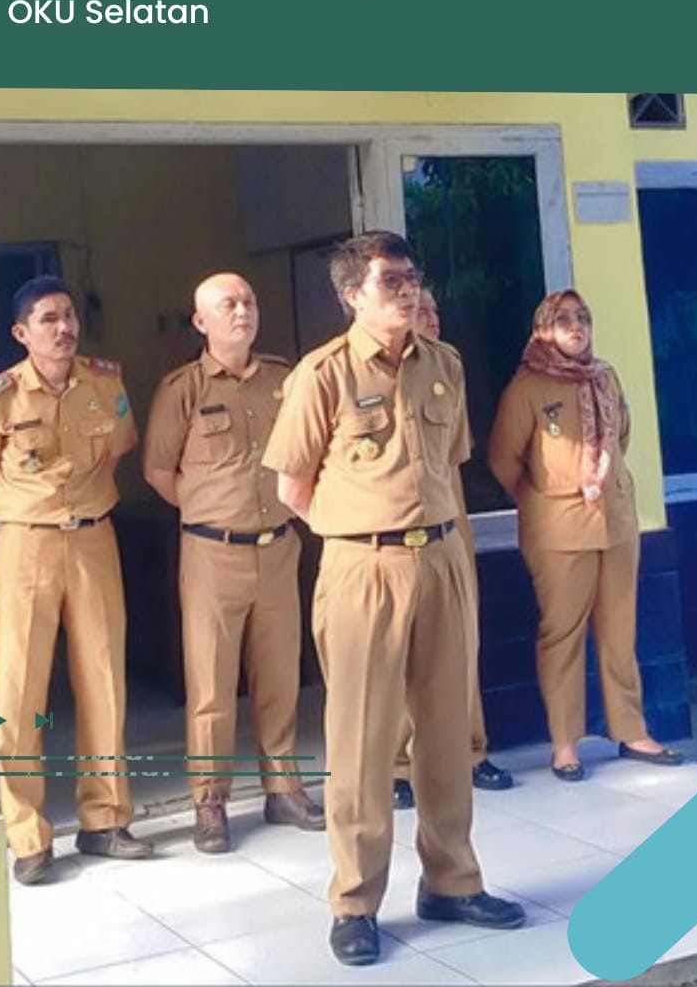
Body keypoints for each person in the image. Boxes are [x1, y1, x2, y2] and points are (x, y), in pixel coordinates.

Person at [262, 232, 525, 967]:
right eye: (390, 282)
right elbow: (291, 487)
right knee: (362, 741)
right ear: (353, 295)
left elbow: (449, 464)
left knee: (446, 732)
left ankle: (452, 881)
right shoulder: (323, 374)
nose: (407, 291)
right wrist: (357, 532)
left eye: (412, 278)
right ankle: (354, 902)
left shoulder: (444, 364)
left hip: (440, 557)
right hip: (363, 567)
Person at [0, 276, 152, 886]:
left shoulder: (105, 383)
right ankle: (27, 834)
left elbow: (119, 447)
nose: (64, 328)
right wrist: (33, 512)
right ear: (21, 333)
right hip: (27, 545)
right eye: (48, 319)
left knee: (104, 678)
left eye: (69, 316)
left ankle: (105, 819)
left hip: (94, 538)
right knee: (20, 689)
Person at [143, 273, 324, 855]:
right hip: (212, 553)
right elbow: (158, 470)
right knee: (211, 685)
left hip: (278, 547)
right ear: (201, 322)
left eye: (248, 301)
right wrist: (208, 509)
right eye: (228, 305)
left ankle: (284, 787)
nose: (242, 311)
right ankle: (210, 800)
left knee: (279, 677)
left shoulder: (282, 379)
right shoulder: (183, 389)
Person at [487, 288, 684, 781]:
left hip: (615, 521)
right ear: (543, 329)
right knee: (563, 635)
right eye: (563, 320)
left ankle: (631, 730)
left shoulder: (605, 376)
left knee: (620, 631)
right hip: (558, 529)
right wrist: (542, 498)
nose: (576, 327)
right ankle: (565, 744)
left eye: (583, 318)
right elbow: (503, 459)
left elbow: (621, 435)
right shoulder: (528, 387)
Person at [393, 287, 513, 810]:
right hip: (397, 523)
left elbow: (461, 448)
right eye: (420, 311)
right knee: (400, 651)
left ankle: (471, 750)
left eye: (434, 310)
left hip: (449, 507)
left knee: (462, 640)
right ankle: (399, 765)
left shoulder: (449, 367)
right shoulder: (374, 373)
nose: (431, 318)